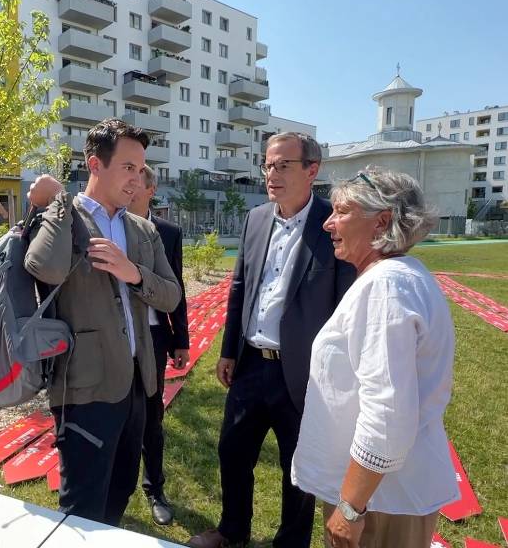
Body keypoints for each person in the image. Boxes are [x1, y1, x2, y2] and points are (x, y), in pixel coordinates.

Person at [188, 132, 355, 548]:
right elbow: (240, 287)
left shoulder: (331, 225)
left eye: (283, 165)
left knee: (297, 467)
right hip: (250, 365)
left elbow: (344, 304)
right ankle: (232, 532)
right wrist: (229, 350)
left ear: (311, 171)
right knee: (232, 451)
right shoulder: (256, 218)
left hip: (302, 373)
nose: (271, 174)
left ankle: (291, 542)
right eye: (267, 165)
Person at [24, 118, 182, 526]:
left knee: (120, 490)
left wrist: (133, 274)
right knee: (81, 508)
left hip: (136, 386)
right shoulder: (65, 217)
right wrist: (58, 202)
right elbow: (44, 267)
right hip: (84, 389)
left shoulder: (143, 230)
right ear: (95, 165)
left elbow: (171, 294)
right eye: (128, 167)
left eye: (141, 168)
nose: (138, 178)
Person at [291, 169, 459, 548]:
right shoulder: (399, 276)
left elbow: (387, 413)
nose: (328, 223)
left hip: (379, 502)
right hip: (382, 494)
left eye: (342, 212)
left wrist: (351, 507)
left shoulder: (387, 286)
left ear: (381, 221)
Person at [127, 164, 189, 526]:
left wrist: (180, 339)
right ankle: (113, 486)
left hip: (153, 338)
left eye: (138, 184)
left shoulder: (168, 232)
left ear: (151, 190)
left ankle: (155, 489)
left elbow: (176, 287)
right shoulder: (111, 227)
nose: (131, 189)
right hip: (118, 337)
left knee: (152, 417)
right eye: (128, 182)